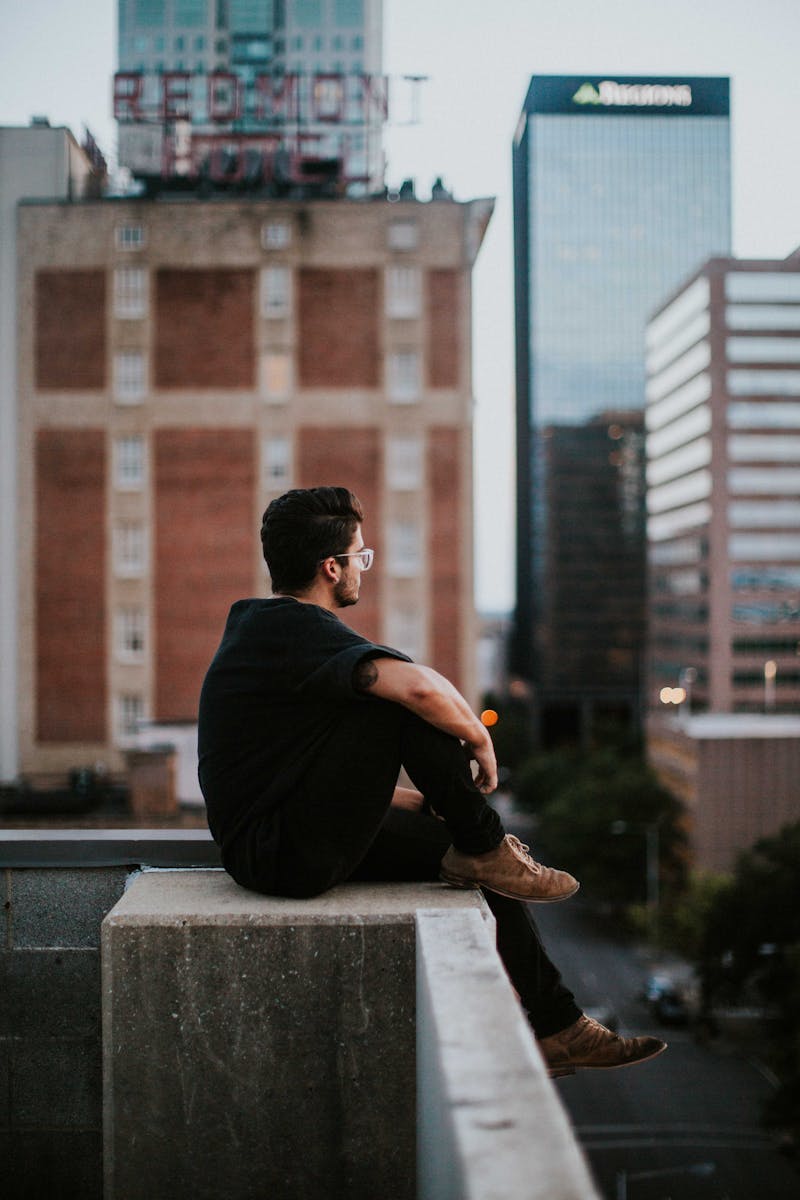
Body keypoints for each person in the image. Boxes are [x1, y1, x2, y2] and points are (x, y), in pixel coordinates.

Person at [198, 486, 666, 1077]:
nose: (363, 569)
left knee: (473, 866)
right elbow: (419, 688)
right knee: (394, 703)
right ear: (331, 567)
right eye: (359, 557)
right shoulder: (295, 629)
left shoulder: (268, 632)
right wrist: (479, 737)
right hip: (283, 855)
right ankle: (488, 842)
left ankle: (558, 1027)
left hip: (276, 846)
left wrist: (416, 803)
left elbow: (290, 769)